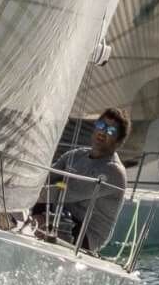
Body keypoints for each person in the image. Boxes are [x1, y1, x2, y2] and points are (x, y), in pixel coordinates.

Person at [33, 107, 130, 251]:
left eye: (110, 131)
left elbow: (63, 193)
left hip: (86, 234)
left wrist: (24, 193)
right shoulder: (76, 155)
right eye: (101, 126)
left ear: (119, 141)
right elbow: (46, 178)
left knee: (36, 218)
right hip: (61, 216)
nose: (102, 133)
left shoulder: (113, 171)